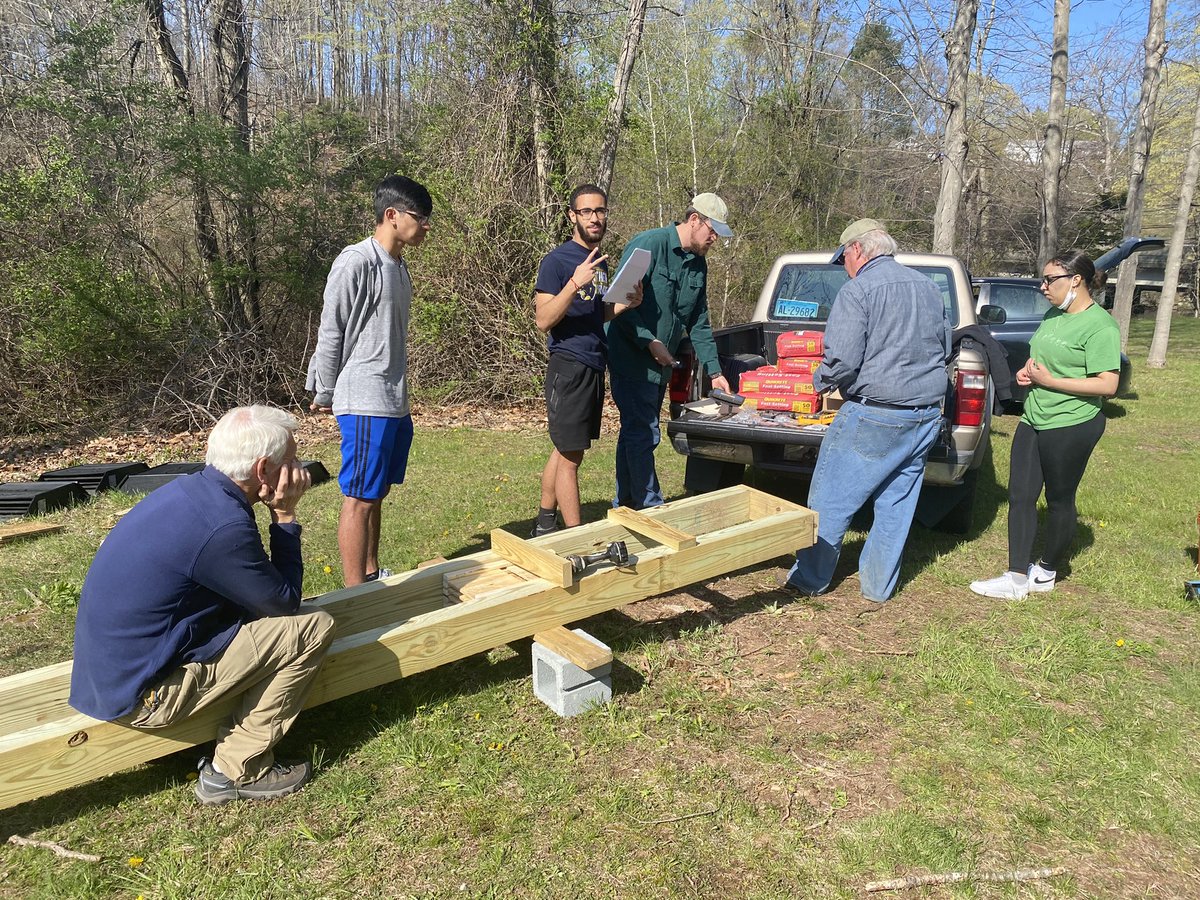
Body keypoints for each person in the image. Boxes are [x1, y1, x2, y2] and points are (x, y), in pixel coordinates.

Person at [69, 406, 336, 805]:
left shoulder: (187, 492)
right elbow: (283, 605)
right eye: (292, 460)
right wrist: (284, 516)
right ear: (263, 470)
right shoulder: (222, 525)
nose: (298, 469)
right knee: (312, 629)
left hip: (106, 679)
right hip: (143, 698)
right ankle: (236, 770)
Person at [782, 218, 950, 609]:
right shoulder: (928, 287)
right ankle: (877, 588)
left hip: (876, 414)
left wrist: (815, 382)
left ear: (857, 250)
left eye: (844, 258)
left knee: (829, 500)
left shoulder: (858, 291)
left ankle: (810, 579)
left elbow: (841, 359)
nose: (844, 266)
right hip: (924, 415)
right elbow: (943, 345)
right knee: (897, 504)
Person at [970, 251, 1119, 600]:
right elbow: (1044, 358)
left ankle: (1048, 569)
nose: (1043, 286)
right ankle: (1016, 577)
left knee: (1058, 500)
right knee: (1020, 496)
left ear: (1076, 280)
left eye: (1050, 279)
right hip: (1034, 416)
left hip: (1073, 423)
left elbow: (1107, 385)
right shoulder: (1054, 315)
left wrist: (1051, 381)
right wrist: (1029, 372)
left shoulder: (1101, 326)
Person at [306, 174, 432, 585]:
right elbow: (331, 328)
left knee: (376, 493)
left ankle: (372, 575)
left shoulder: (399, 265)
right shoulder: (356, 260)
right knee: (359, 498)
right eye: (420, 217)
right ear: (392, 215)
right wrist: (324, 389)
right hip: (363, 398)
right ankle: (354, 595)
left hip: (394, 399)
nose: (426, 225)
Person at [605, 192, 733, 509]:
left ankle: (626, 502)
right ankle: (651, 505)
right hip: (631, 357)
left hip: (660, 365)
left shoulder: (697, 265)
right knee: (645, 431)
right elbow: (616, 305)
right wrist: (650, 340)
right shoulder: (648, 245)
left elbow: (699, 321)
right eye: (712, 230)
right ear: (693, 220)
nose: (715, 238)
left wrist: (715, 372)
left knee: (633, 431)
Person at [530, 184, 642, 536]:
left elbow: (596, 314)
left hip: (594, 363)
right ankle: (576, 538)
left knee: (567, 450)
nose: (595, 218)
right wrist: (574, 283)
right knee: (570, 456)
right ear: (572, 216)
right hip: (569, 365)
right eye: (587, 212)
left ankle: (546, 525)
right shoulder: (557, 261)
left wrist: (626, 304)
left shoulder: (600, 262)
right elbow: (543, 320)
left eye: (601, 211)